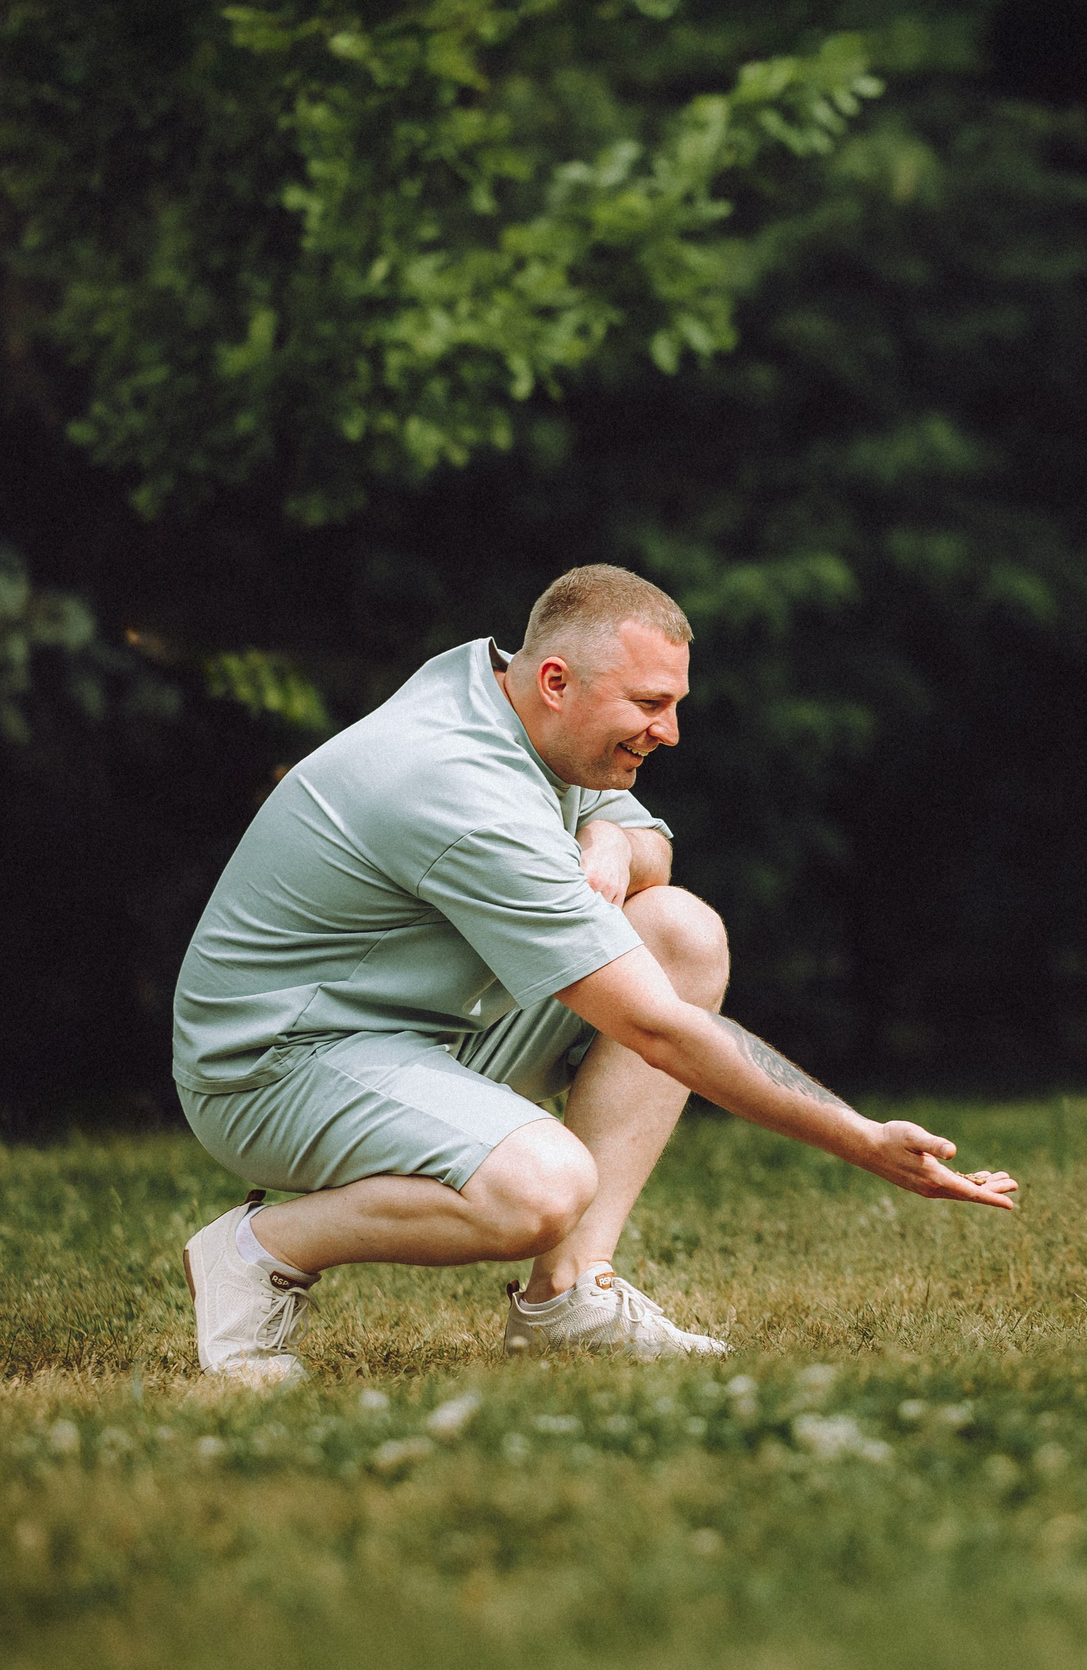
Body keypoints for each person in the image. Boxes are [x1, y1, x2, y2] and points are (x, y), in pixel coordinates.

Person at [170, 564, 1017, 1383]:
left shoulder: (510, 703)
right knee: (543, 1186)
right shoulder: (459, 787)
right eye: (650, 705)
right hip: (274, 1070)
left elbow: (654, 847)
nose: (670, 732)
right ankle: (257, 1252)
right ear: (555, 680)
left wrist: (612, 840)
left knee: (677, 930)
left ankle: (566, 1296)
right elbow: (654, 1028)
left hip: (422, 1035)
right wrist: (861, 1139)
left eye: (675, 703)